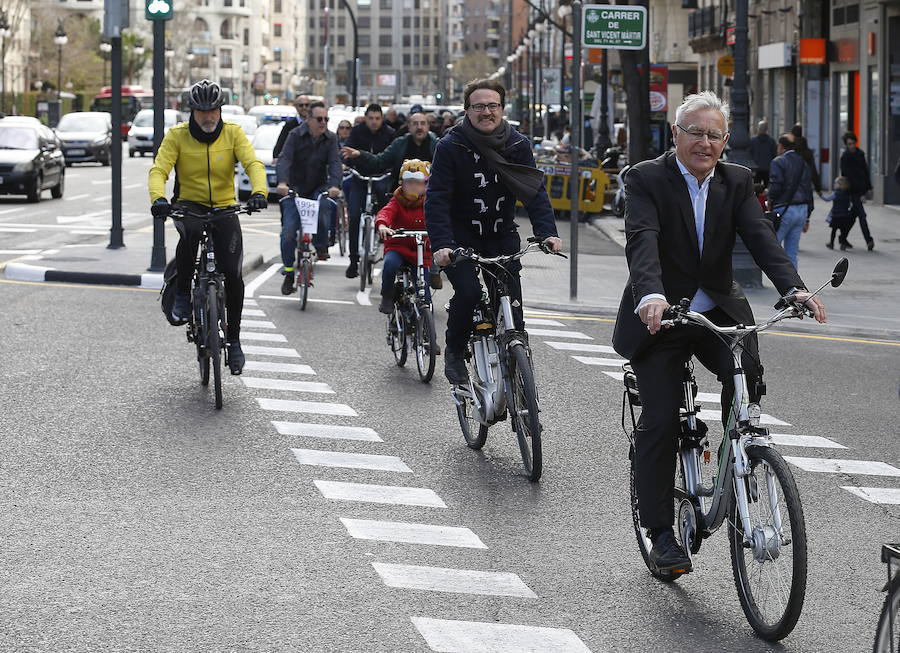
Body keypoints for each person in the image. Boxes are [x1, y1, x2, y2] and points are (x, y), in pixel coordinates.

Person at [612, 91, 825, 574]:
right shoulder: (646, 178)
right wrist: (650, 294)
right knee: (662, 419)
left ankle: (742, 456)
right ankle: (662, 533)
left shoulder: (737, 181)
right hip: (660, 315)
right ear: (676, 135)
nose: (704, 143)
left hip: (718, 311)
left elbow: (762, 238)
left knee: (746, 383)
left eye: (714, 135)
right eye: (695, 133)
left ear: (725, 141)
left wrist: (794, 288)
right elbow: (641, 239)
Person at [425, 78, 562, 384]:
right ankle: (455, 352)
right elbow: (437, 199)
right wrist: (442, 245)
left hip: (502, 235)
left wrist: (547, 232)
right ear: (467, 110)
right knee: (470, 292)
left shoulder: (517, 144)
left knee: (512, 301)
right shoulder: (451, 146)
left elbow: (534, 191)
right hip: (461, 238)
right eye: (479, 106)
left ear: (502, 108)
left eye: (492, 106)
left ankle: (517, 362)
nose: (486, 112)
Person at [148, 79, 268, 375]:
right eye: (202, 111)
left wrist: (259, 192)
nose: (208, 117)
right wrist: (159, 198)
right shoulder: (177, 136)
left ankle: (236, 341)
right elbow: (159, 169)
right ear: (192, 111)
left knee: (233, 272)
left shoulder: (233, 133)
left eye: (213, 110)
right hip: (190, 204)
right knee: (188, 236)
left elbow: (252, 163)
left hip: (225, 206)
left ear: (220, 109)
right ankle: (181, 297)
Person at [275, 101, 342, 293]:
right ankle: (288, 273)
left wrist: (335, 186)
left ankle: (321, 246)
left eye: (326, 119)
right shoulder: (295, 135)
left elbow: (335, 162)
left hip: (317, 187)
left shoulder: (330, 138)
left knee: (324, 206)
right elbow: (285, 159)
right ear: (308, 119)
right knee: (288, 233)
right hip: (294, 188)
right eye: (319, 119)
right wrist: (282, 183)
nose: (323, 123)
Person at [375, 159, 440, 313]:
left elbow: (440, 218)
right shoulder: (397, 201)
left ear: (426, 185)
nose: (413, 186)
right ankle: (387, 296)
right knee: (390, 265)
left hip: (421, 251)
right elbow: (386, 212)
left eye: (418, 183)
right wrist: (383, 225)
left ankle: (426, 322)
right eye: (409, 182)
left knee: (423, 287)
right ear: (401, 184)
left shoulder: (430, 202)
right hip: (398, 247)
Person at [344, 103, 396, 278]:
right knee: (353, 215)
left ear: (382, 119)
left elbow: (394, 157)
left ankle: (382, 233)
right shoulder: (357, 131)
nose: (374, 122)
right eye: (371, 118)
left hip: (381, 177)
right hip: (360, 177)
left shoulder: (390, 133)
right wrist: (348, 164)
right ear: (366, 118)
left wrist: (390, 171)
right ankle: (353, 260)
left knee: (385, 208)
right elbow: (347, 151)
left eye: (377, 118)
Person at [341, 112, 438, 189]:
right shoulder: (400, 144)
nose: (419, 127)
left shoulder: (437, 145)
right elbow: (379, 161)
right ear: (409, 127)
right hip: (401, 195)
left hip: (429, 194)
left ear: (428, 126)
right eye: (415, 124)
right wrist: (360, 154)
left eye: (423, 123)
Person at [769, 133, 814, 269]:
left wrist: (770, 198)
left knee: (772, 250)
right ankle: (793, 286)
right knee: (792, 252)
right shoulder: (803, 162)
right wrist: (808, 217)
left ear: (781, 146)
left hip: (784, 209)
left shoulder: (778, 161)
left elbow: (776, 185)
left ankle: (779, 281)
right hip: (802, 209)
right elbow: (808, 189)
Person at [840, 132, 875, 250]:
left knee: (852, 217)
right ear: (846, 144)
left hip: (860, 190)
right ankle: (869, 240)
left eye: (853, 143)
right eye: (849, 144)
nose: (852, 146)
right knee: (862, 216)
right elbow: (845, 175)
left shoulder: (860, 154)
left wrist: (869, 188)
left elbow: (865, 171)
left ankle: (842, 238)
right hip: (852, 192)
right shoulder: (845, 157)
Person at [272, 94, 311, 160]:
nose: (304, 107)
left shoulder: (316, 123)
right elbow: (280, 145)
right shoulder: (289, 125)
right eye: (301, 105)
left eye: (307, 105)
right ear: (296, 107)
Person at [821, 176, 853, 250]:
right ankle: (843, 244)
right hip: (844, 216)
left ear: (840, 185)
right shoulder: (847, 194)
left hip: (836, 216)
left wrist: (820, 195)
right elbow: (850, 204)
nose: (834, 185)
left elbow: (827, 199)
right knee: (843, 231)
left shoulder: (836, 193)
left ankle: (831, 243)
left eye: (836, 183)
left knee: (834, 231)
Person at [791, 123, 822, 194]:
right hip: (805, 183)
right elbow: (813, 171)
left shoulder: (790, 150)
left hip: (792, 183)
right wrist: (818, 188)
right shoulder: (807, 152)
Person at [748, 120, 776, 186]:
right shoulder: (771, 141)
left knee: (755, 187)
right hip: (768, 167)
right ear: (766, 129)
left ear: (758, 129)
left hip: (756, 167)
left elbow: (750, 153)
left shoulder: (753, 140)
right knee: (767, 186)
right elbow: (774, 154)